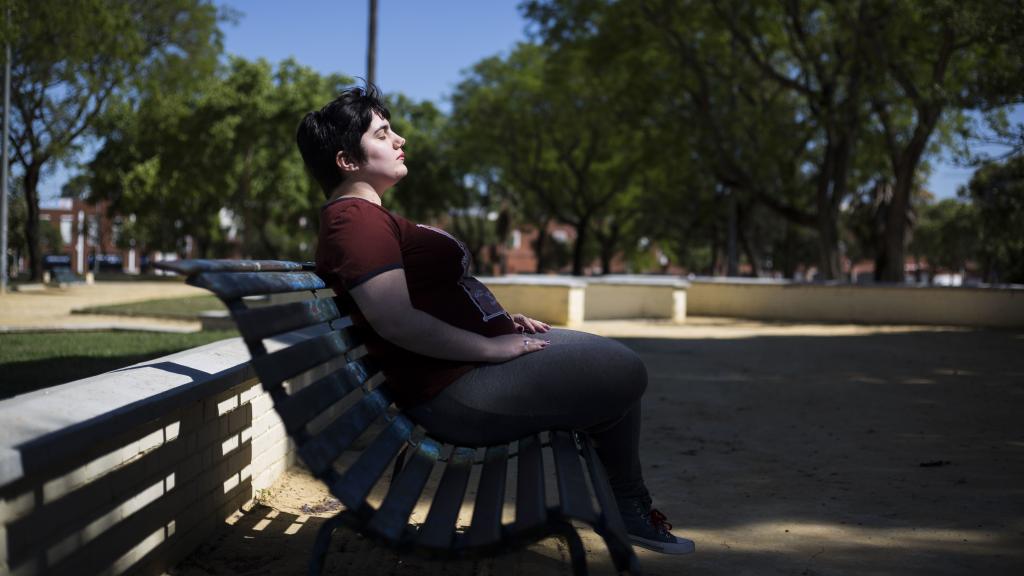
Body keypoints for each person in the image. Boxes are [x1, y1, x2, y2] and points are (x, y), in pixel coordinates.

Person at [296, 84, 694, 555]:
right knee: (625, 369)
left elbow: (421, 301)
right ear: (347, 161)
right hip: (453, 395)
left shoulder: (369, 218)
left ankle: (629, 506)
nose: (400, 139)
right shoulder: (355, 222)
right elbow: (396, 320)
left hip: (464, 377)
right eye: (383, 134)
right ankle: (628, 507)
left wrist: (497, 321)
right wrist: (491, 345)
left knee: (610, 371)